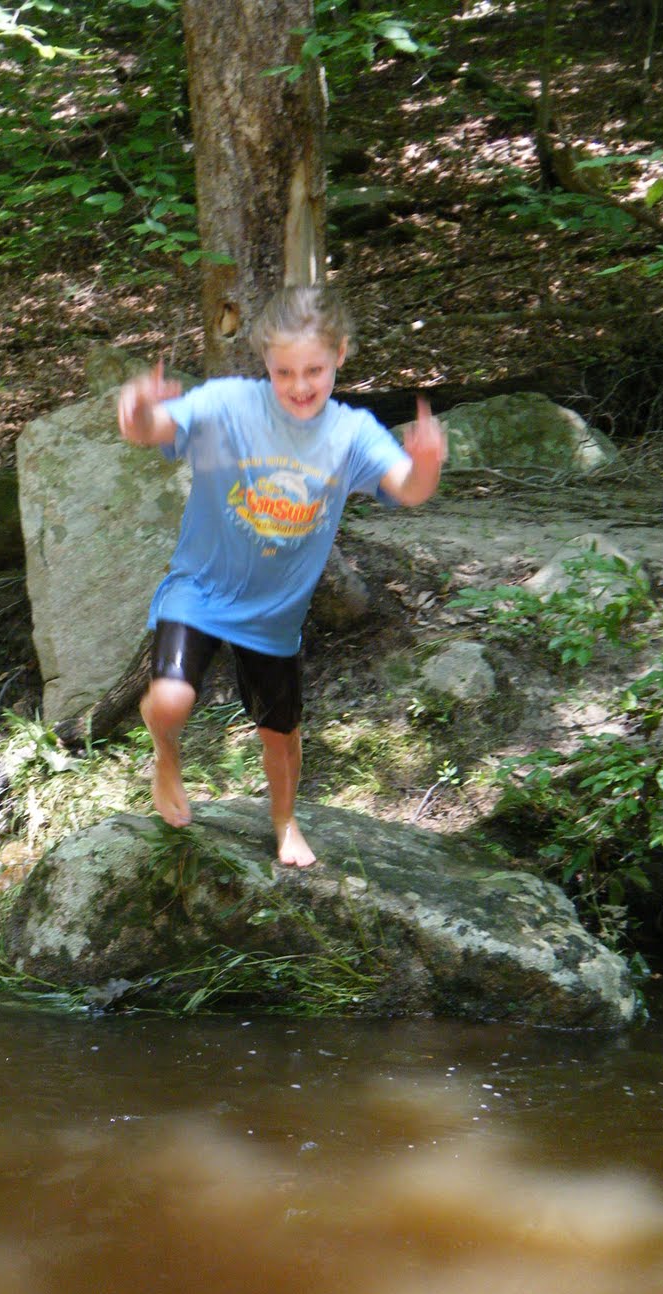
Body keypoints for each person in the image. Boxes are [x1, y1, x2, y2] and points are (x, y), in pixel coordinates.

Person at [117, 283, 446, 867]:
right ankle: (165, 753)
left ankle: (285, 820)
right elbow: (152, 429)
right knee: (169, 698)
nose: (299, 386)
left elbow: (409, 490)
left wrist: (424, 464)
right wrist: (138, 408)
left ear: (340, 355)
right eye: (284, 372)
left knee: (281, 734)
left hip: (275, 615)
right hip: (201, 589)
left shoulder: (351, 434)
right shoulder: (228, 405)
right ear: (264, 362)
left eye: (313, 370)